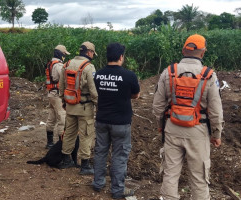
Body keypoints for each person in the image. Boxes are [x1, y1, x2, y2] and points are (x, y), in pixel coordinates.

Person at [153, 34, 224, 200]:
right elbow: (216, 110)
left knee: (170, 174)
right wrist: (216, 133)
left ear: (184, 50)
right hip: (198, 132)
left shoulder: (169, 72)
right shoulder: (209, 75)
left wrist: (160, 125)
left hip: (172, 128)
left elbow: (157, 106)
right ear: (203, 52)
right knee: (199, 178)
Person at [92, 43, 140, 199]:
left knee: (100, 152)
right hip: (121, 122)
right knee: (119, 155)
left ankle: (98, 183)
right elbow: (135, 95)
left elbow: (97, 91)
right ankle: (118, 189)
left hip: (102, 120)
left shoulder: (98, 74)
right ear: (121, 57)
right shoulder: (129, 75)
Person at [58, 41, 98, 175]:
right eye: (92, 52)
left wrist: (64, 101)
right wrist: (99, 105)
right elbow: (93, 91)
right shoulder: (89, 67)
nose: (93, 55)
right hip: (84, 108)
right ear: (89, 52)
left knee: (69, 132)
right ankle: (85, 165)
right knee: (86, 134)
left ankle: (66, 160)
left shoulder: (67, 64)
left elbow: (62, 86)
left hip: (70, 106)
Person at [45, 45, 70, 149]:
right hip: (57, 95)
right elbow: (65, 78)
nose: (65, 56)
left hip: (51, 94)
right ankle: (62, 143)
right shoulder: (59, 66)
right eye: (64, 54)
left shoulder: (50, 64)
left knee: (52, 117)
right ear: (60, 54)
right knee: (62, 117)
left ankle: (50, 143)